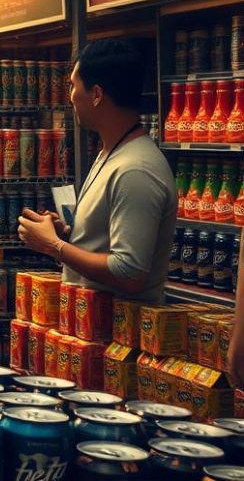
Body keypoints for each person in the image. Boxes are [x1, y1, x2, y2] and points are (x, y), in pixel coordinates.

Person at [18, 39, 175, 303]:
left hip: (123, 335)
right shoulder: (112, 153)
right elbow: (107, 244)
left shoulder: (135, 170)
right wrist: (67, 234)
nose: (70, 97)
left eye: (73, 86)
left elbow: (129, 273)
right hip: (95, 330)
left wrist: (55, 246)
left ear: (97, 94)